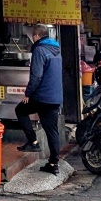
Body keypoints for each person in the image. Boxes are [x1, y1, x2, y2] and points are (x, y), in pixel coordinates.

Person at [16, 24, 62, 176]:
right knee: (52, 130)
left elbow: (36, 75)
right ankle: (53, 163)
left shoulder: (39, 50)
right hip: (55, 96)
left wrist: (28, 93)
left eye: (32, 36)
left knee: (20, 110)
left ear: (36, 36)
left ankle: (33, 142)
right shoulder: (56, 49)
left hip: (42, 96)